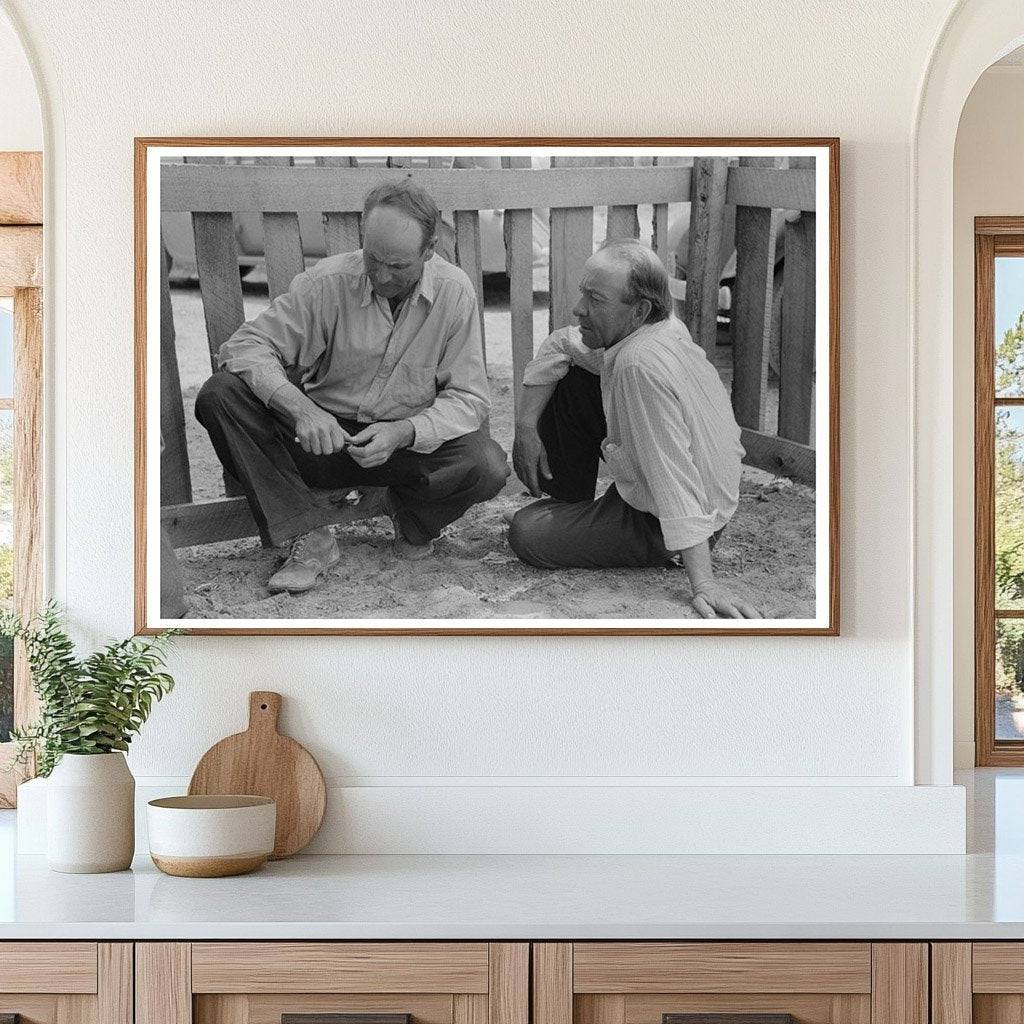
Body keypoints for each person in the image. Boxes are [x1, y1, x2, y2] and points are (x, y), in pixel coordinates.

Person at [195, 178, 509, 594]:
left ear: (429, 250)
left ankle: (411, 519)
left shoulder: (454, 292)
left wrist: (405, 432)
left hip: (399, 446)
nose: (380, 275)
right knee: (220, 395)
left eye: (397, 266)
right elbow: (244, 346)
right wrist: (301, 408)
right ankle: (308, 537)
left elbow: (469, 399)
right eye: (373, 258)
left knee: (486, 465)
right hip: (318, 440)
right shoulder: (327, 282)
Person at [509, 239, 759, 620]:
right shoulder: (660, 326)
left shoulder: (637, 366)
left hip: (676, 521)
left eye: (595, 300)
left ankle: (569, 525)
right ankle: (568, 511)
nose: (579, 310)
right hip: (658, 498)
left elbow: (672, 473)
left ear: (639, 310)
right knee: (571, 377)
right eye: (583, 294)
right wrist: (526, 428)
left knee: (526, 533)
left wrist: (704, 584)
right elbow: (562, 342)